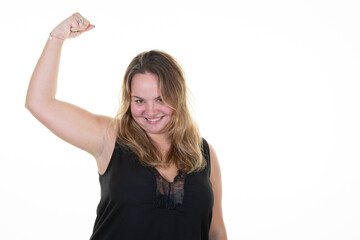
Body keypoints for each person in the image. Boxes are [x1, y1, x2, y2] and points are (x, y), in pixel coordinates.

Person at [25, 13, 227, 240]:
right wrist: (57, 37)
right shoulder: (110, 137)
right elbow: (39, 103)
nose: (150, 112)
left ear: (177, 96)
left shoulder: (203, 154)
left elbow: (216, 231)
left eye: (160, 99)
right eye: (139, 101)